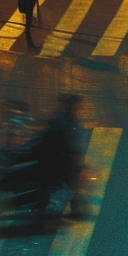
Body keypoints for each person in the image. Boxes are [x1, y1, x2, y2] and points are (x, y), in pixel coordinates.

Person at [35, 94, 84, 225]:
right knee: (75, 182)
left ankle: (40, 208)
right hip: (59, 160)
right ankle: (75, 208)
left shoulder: (59, 117)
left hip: (49, 158)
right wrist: (75, 160)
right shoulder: (65, 121)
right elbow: (68, 144)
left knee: (44, 183)